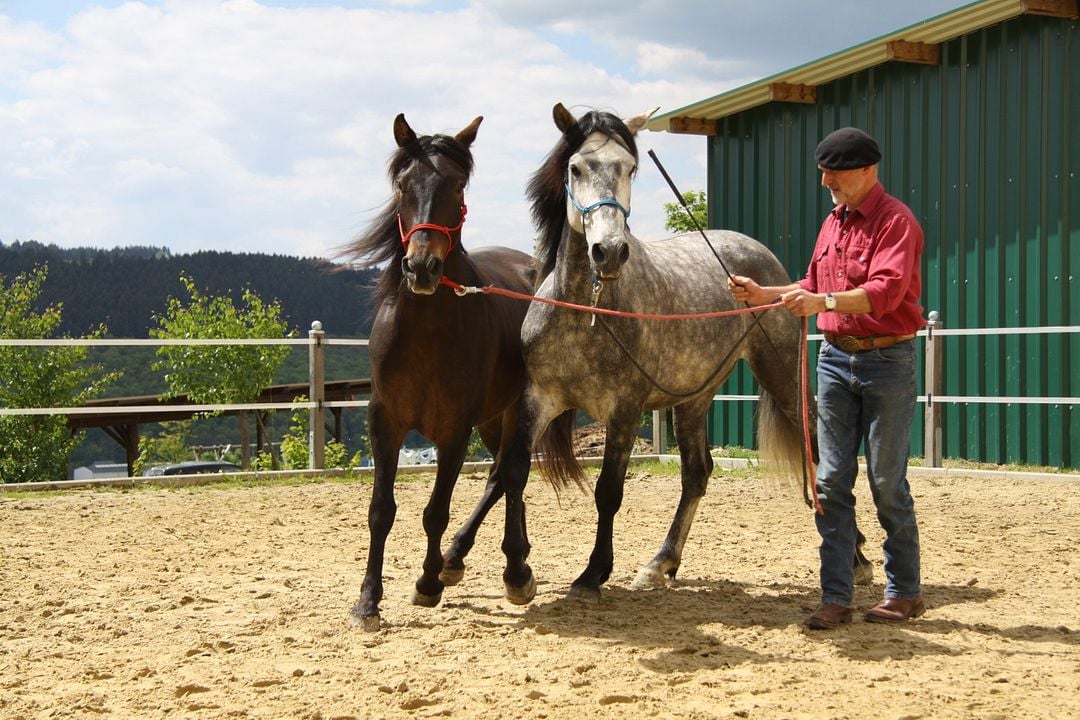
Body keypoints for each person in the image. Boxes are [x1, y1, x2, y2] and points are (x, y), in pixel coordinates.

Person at [728, 127, 926, 630]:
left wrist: (824, 304)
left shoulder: (896, 223)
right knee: (830, 480)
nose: (825, 181)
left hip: (888, 362)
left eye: (832, 171)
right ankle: (836, 595)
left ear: (865, 169)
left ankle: (904, 592)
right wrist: (763, 293)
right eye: (823, 171)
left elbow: (883, 291)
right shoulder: (833, 222)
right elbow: (811, 285)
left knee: (886, 481)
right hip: (835, 362)